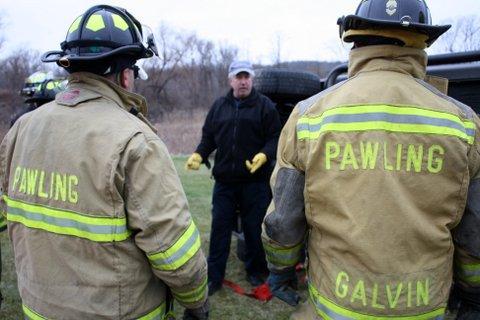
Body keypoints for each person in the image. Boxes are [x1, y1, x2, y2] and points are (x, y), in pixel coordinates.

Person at [262, 0, 480, 319]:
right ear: (423, 41)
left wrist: (280, 269)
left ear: (355, 37)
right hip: (422, 307)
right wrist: (472, 291)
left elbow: (284, 219)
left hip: (336, 304)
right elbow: (474, 228)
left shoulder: (309, 117)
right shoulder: (463, 123)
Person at [0, 5, 208, 319]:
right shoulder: (136, 141)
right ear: (126, 75)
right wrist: (196, 302)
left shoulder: (21, 130)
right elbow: (175, 254)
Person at [186, 61, 281, 295]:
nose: (243, 81)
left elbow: (275, 137)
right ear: (230, 80)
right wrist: (200, 153)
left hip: (254, 182)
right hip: (225, 183)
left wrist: (264, 154)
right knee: (220, 229)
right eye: (239, 77)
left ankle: (256, 272)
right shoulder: (219, 107)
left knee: (253, 229)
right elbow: (208, 136)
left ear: (252, 79)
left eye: (247, 76)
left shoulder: (265, 106)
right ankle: (214, 277)